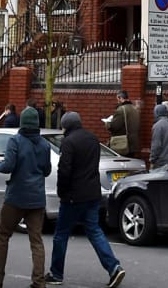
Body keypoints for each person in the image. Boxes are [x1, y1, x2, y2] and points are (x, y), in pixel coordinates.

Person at [45, 112, 125, 288]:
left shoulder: (68, 142)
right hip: (92, 194)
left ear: (67, 125)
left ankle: (56, 274)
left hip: (73, 196)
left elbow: (64, 170)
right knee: (95, 231)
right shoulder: (92, 139)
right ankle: (114, 267)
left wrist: (62, 191)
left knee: (61, 235)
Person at [0, 107, 52, 288]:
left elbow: (8, 166)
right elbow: (47, 170)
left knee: (3, 235)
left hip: (16, 197)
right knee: (36, 240)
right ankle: (38, 281)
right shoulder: (44, 145)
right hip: (37, 198)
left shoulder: (16, 141)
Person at [107, 90, 138, 156]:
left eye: (117, 99)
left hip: (123, 144)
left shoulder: (121, 110)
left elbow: (114, 127)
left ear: (120, 98)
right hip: (134, 143)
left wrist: (107, 124)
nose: (117, 101)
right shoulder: (134, 108)